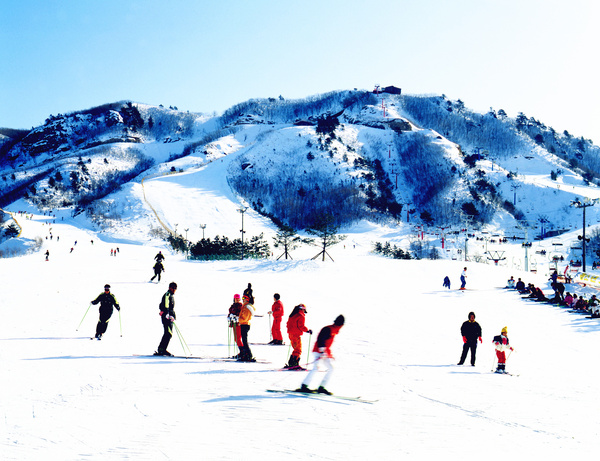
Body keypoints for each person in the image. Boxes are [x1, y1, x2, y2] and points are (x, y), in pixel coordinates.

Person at [297, 315, 345, 395]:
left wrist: (328, 354)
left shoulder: (334, 330)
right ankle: (304, 386)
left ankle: (321, 388)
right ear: (341, 324)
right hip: (318, 351)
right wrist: (322, 351)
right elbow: (320, 339)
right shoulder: (328, 329)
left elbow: (327, 343)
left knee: (331, 368)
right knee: (315, 368)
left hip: (324, 353)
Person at [285, 304, 312, 369]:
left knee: (296, 349)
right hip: (295, 334)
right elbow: (301, 326)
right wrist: (307, 330)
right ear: (302, 309)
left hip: (291, 334)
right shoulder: (301, 315)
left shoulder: (292, 314)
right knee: (298, 349)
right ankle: (294, 364)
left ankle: (292, 363)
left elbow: (288, 324)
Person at [155, 282, 177, 356]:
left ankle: (162, 349)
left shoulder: (171, 296)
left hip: (169, 317)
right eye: (173, 288)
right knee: (168, 333)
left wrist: (173, 316)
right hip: (166, 317)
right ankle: (161, 349)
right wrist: (167, 314)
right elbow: (165, 305)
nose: (174, 290)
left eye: (175, 288)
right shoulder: (167, 295)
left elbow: (171, 308)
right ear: (169, 287)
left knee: (169, 334)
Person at [238, 294, 256, 361]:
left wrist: (238, 320)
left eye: (244, 298)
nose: (242, 299)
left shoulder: (247, 307)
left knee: (245, 341)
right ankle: (247, 354)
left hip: (244, 324)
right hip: (244, 324)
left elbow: (244, 318)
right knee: (244, 341)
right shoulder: (245, 306)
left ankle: (248, 355)